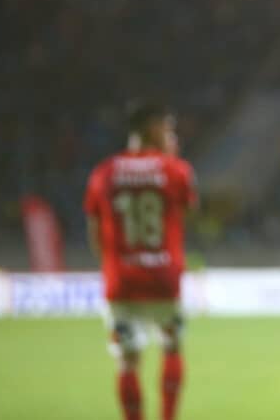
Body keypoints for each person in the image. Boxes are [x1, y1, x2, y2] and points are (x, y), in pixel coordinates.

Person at [84, 102, 197, 420]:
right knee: (172, 347)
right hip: (163, 278)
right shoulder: (175, 169)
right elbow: (187, 211)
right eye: (168, 128)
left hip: (121, 281)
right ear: (153, 128)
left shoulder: (103, 172)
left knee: (127, 361)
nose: (173, 135)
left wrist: (114, 263)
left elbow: (95, 231)